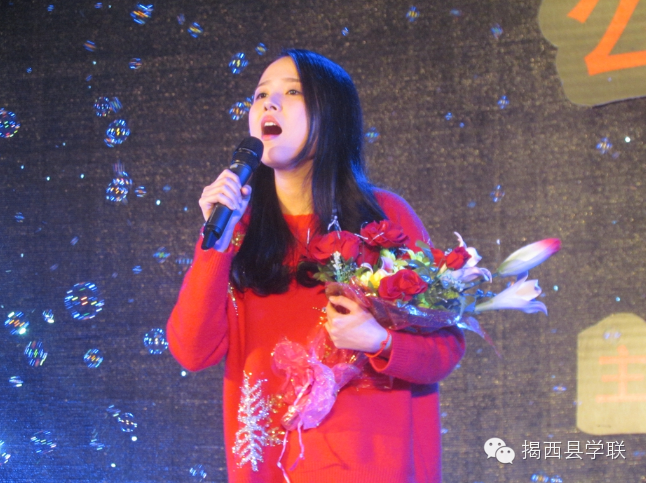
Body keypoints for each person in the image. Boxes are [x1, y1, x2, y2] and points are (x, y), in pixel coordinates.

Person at [167, 49, 465, 483]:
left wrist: (379, 340)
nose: (269, 104)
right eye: (260, 95)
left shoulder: (385, 219)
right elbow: (192, 351)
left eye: (292, 92)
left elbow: (444, 352)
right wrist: (216, 241)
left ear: (333, 116)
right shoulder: (238, 231)